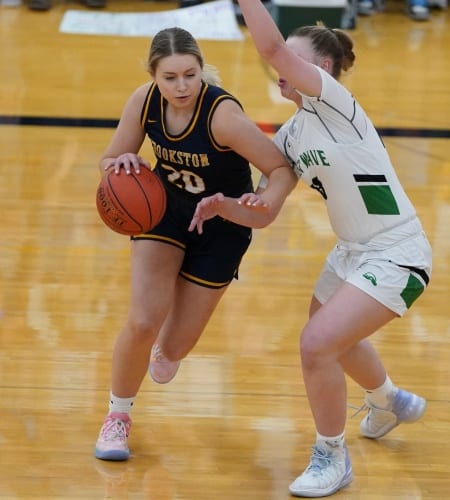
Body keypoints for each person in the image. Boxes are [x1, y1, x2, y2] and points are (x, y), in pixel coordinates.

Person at [189, 1, 432, 497]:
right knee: (330, 337)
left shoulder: (336, 102)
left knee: (317, 344)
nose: (279, 68)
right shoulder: (293, 133)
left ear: (320, 69)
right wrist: (226, 206)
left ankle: (332, 456)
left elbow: (270, 47)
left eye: (291, 61)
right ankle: (387, 400)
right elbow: (265, 211)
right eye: (282, 63)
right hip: (351, 251)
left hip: (397, 250)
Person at [94, 26, 297, 462]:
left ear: (201, 69)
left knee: (171, 353)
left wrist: (263, 203)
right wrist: (119, 163)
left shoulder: (222, 117)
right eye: (170, 77)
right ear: (154, 76)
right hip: (164, 212)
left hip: (222, 223)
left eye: (190, 74)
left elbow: (281, 169)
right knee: (142, 321)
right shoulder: (144, 102)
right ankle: (117, 417)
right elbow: (108, 158)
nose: (182, 86)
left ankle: (169, 345)